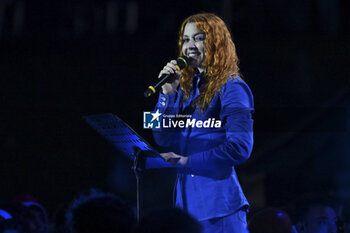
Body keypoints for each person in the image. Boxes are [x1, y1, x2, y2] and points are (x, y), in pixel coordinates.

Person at [151, 13, 254, 233]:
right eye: (186, 40)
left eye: (199, 38)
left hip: (219, 209)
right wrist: (167, 95)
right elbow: (161, 137)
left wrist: (187, 160)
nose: (190, 46)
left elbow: (240, 147)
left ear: (216, 43)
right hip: (185, 209)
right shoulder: (185, 89)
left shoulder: (233, 87)